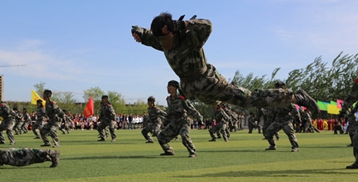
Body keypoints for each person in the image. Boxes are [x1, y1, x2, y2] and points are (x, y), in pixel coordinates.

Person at [131, 12, 319, 114]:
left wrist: (185, 24)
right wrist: (139, 32)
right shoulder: (162, 41)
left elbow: (208, 26)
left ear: (172, 31)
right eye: (160, 41)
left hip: (211, 84)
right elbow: (149, 36)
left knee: (247, 100)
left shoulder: (189, 39)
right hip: (194, 90)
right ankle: (233, 92)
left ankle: (295, 97)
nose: (164, 45)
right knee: (213, 103)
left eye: (165, 39)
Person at [157, 80, 203, 157]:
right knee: (161, 136)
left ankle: (192, 152)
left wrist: (199, 118)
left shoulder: (181, 98)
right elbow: (169, 113)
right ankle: (168, 150)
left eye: (169, 87)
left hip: (184, 121)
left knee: (184, 135)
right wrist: (165, 123)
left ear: (175, 88)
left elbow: (190, 109)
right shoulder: (169, 99)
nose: (168, 89)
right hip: (175, 122)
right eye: (167, 87)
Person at [264, 82, 302, 152]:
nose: (278, 88)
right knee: (268, 132)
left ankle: (295, 147)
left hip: (286, 119)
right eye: (277, 87)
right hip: (278, 119)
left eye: (279, 87)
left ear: (283, 87)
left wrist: (298, 120)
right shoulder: (275, 98)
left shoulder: (287, 96)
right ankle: (272, 145)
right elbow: (272, 110)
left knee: (290, 133)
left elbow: (294, 109)